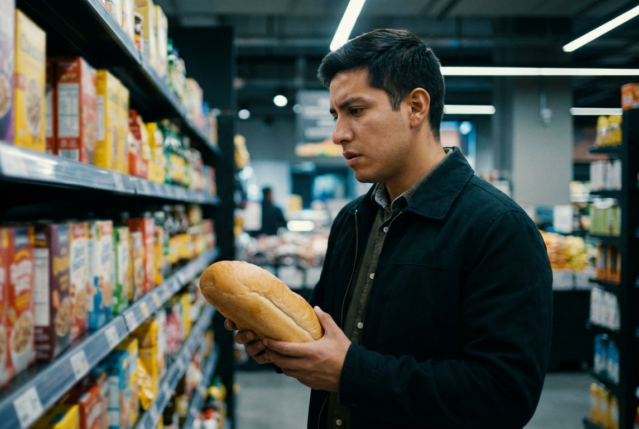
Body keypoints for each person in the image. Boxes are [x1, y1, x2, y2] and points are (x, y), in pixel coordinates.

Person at [225, 29, 552, 429]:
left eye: (356, 111)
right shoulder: (353, 220)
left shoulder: (498, 229)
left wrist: (352, 373)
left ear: (416, 106)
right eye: (335, 115)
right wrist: (278, 346)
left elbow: (504, 396)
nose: (338, 134)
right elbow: (326, 340)